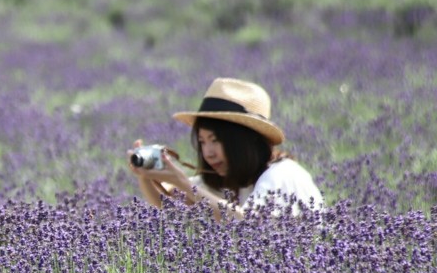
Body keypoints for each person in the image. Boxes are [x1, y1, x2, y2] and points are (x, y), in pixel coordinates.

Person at [128, 77, 323, 220]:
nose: (208, 153)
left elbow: (250, 228)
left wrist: (180, 180)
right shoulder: (232, 178)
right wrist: (145, 175)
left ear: (245, 141)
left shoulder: (282, 175)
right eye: (203, 142)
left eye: (216, 140)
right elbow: (172, 206)